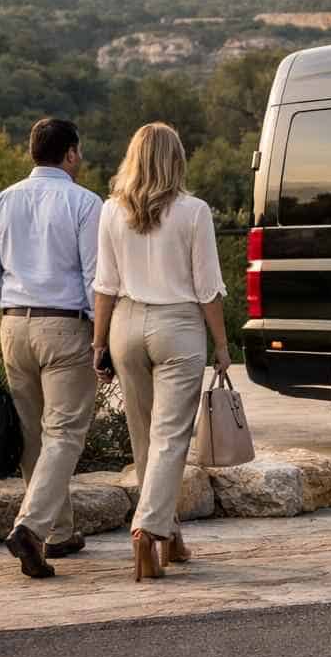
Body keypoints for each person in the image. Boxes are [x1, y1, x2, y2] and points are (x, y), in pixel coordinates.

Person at [92, 122, 230, 582]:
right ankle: (147, 531)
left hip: (125, 325)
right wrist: (223, 346)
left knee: (144, 435)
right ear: (176, 159)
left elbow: (105, 286)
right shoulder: (194, 212)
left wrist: (98, 344)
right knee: (171, 438)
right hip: (177, 325)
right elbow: (209, 288)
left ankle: (171, 536)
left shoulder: (112, 210)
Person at [0, 118, 103, 578]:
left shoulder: (0, 202)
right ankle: (29, 526)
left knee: (35, 435)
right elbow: (94, 278)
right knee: (65, 433)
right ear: (70, 153)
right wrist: (100, 338)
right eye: (78, 152)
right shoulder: (86, 203)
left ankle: (59, 534)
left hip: (12, 328)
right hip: (64, 327)